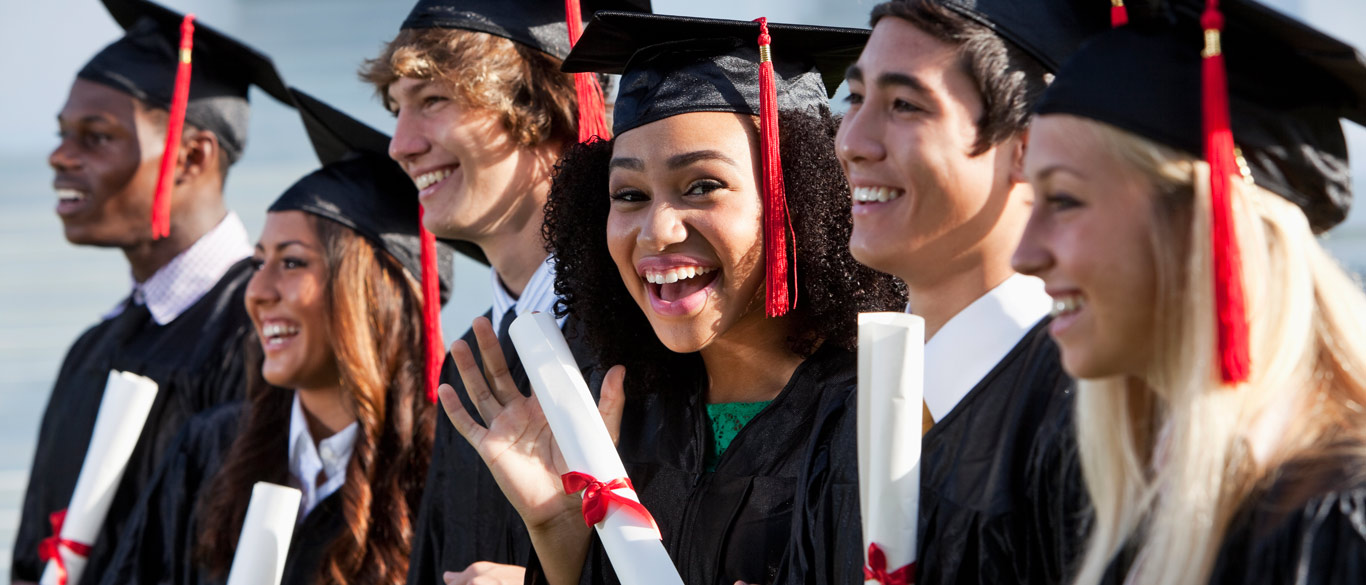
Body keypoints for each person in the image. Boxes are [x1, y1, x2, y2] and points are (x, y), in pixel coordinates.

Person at [441, 11, 906, 585]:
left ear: (799, 197)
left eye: (702, 186)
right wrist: (560, 533)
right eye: (629, 195)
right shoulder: (619, 427)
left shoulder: (884, 418)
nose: (657, 232)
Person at [1011, 0, 1366, 583]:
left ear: (1206, 224)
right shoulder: (1152, 502)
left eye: (1065, 201)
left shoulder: (1335, 522)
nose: (1024, 255)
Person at [789, 1, 1110, 582]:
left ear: (1031, 148)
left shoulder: (1094, 419)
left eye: (905, 105)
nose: (851, 141)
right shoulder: (846, 411)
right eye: (854, 98)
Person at [97, 89, 465, 585]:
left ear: (375, 295)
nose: (258, 292)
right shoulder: (210, 449)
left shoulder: (451, 474)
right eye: (258, 263)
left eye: (291, 263)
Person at [359, 1, 648, 583]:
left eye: (432, 100)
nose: (399, 145)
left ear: (545, 107)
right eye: (396, 108)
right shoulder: (470, 363)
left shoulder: (644, 336)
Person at [13, 1, 292, 582]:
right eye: (63, 135)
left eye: (96, 137)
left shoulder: (265, 337)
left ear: (192, 156)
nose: (59, 156)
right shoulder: (92, 349)